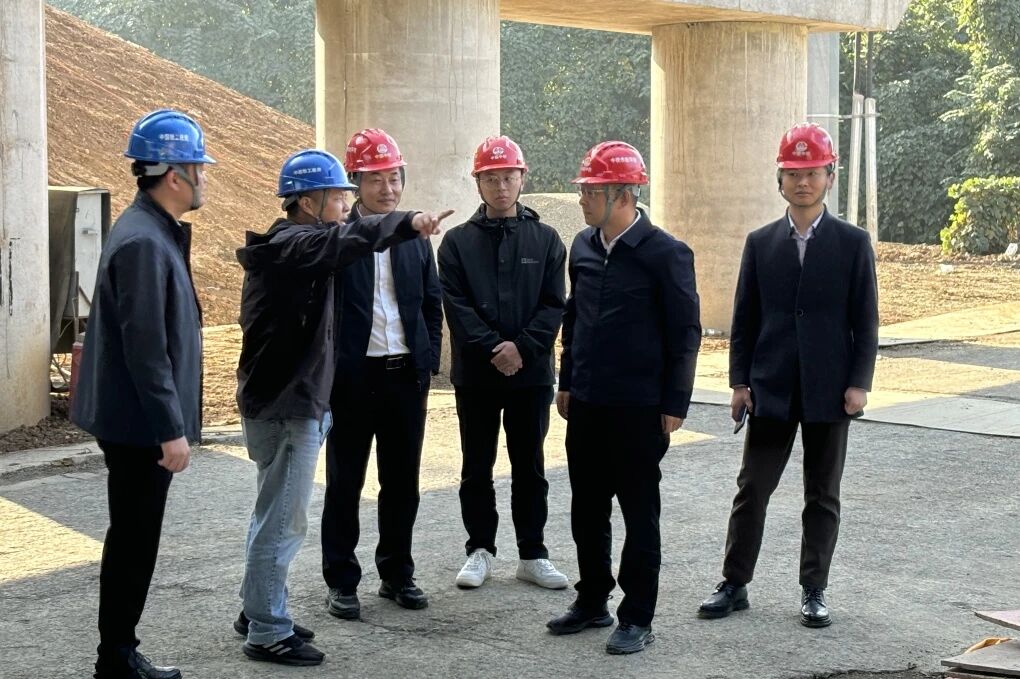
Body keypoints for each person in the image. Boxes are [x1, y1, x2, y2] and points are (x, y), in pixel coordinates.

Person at [234, 149, 451, 666]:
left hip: (298, 395)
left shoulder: (296, 240)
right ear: (309, 203)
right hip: (290, 401)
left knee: (273, 513)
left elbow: (426, 302)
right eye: (340, 196)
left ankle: (258, 607)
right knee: (284, 521)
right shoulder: (298, 243)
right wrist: (407, 223)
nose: (346, 205)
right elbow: (346, 240)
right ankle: (267, 629)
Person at [697, 123, 879, 628]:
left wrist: (859, 383)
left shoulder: (852, 243)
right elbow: (745, 319)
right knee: (752, 488)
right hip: (770, 387)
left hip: (830, 390)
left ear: (830, 177)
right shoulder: (760, 243)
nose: (803, 182)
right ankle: (734, 583)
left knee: (822, 494)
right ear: (780, 179)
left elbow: (865, 320)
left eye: (813, 173)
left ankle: (814, 589)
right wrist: (739, 383)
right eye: (794, 173)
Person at [71, 109, 215, 679]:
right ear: (174, 175)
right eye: (199, 168)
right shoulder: (143, 242)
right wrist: (169, 430)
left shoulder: (151, 231)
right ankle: (116, 659)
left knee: (133, 537)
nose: (205, 178)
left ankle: (118, 653)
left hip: (137, 422)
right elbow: (145, 347)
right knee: (133, 541)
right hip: (139, 428)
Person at [547, 141, 701, 656]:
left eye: (591, 191)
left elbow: (685, 332)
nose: (583, 199)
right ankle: (592, 599)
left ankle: (637, 616)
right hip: (587, 404)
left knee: (639, 513)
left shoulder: (666, 253)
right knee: (587, 510)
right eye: (584, 190)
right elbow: (574, 318)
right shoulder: (583, 247)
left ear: (623, 194)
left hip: (639, 408)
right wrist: (567, 381)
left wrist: (675, 402)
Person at [437, 135, 569, 591]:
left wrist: (522, 349)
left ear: (522, 178)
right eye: (490, 179)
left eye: (508, 177)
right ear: (477, 183)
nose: (500, 187)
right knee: (477, 465)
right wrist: (496, 348)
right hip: (477, 375)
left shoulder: (546, 239)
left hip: (530, 376)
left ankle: (533, 553)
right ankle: (480, 549)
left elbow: (553, 305)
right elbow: (456, 307)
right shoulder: (456, 243)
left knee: (529, 466)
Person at [321, 129, 443, 619]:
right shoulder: (339, 238)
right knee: (344, 482)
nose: (388, 188)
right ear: (356, 183)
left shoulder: (415, 238)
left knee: (402, 482)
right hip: (352, 379)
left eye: (394, 178)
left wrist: (427, 362)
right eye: (376, 179)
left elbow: (431, 302)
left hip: (404, 377)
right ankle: (341, 580)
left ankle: (397, 574)